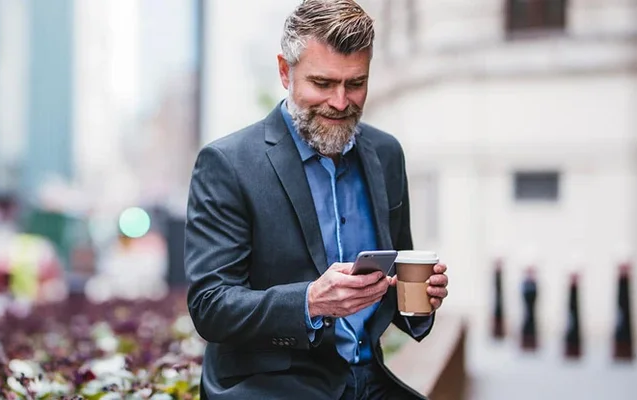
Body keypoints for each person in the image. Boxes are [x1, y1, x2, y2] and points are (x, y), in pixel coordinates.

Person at [184, 1, 450, 399]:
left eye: (355, 83)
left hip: (367, 378)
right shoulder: (227, 164)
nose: (341, 102)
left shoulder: (387, 153)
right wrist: (310, 301)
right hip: (266, 387)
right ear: (284, 71)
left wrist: (422, 297)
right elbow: (211, 306)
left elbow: (398, 275)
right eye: (322, 84)